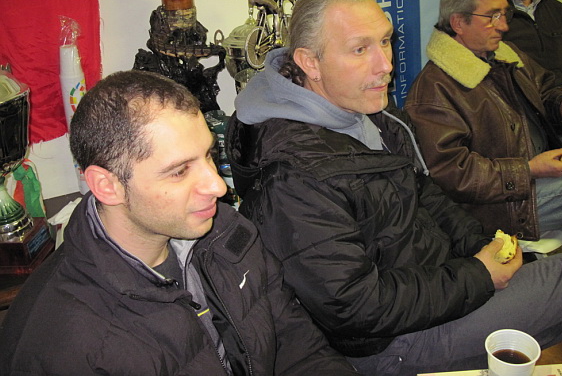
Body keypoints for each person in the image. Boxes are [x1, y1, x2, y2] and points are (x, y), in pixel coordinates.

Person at [226, 0, 562, 375]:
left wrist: (479, 244)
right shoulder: (292, 176)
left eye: (385, 41)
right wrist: (478, 276)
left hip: (435, 285)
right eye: (360, 49)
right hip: (392, 340)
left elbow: (424, 193)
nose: (386, 65)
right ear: (310, 62)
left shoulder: (367, 111)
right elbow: (356, 307)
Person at [0, 70, 359, 375]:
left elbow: (298, 347)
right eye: (179, 171)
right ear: (108, 186)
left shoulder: (228, 233)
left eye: (209, 155)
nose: (217, 186)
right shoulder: (63, 344)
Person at [405, 0, 562, 256]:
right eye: (493, 16)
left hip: (537, 174)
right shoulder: (434, 90)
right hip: (503, 207)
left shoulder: (506, 55)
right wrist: (528, 170)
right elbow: (453, 175)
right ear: (459, 22)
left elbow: (545, 89)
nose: (504, 26)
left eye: (505, 14)